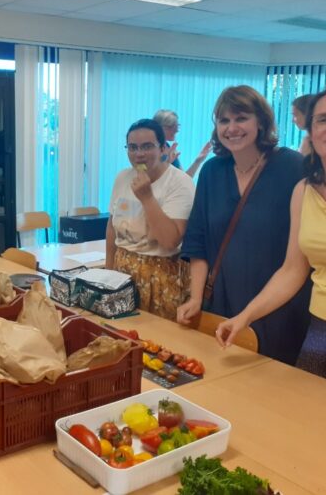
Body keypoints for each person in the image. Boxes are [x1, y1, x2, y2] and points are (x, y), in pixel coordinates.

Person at [177, 85, 311, 366]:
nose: (232, 128)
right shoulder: (213, 172)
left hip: (277, 307)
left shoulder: (293, 167)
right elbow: (197, 240)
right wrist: (196, 297)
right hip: (222, 301)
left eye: (241, 118)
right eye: (224, 121)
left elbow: (300, 256)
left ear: (261, 121)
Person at [216, 90, 326, 377]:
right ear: (310, 131)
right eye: (322, 120)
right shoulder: (304, 191)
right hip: (321, 329)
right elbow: (292, 270)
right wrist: (245, 317)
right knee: (306, 413)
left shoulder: (287, 167)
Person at [105, 118, 195, 320]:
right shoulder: (122, 178)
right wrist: (109, 270)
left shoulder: (180, 183)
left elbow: (170, 240)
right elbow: (112, 227)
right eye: (133, 147)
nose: (139, 154)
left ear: (163, 148)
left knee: (155, 344)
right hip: (122, 272)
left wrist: (147, 197)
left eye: (147, 146)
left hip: (160, 277)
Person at [153, 109, 212, 178]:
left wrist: (198, 161)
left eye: (177, 126)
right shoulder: (151, 150)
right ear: (158, 127)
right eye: (171, 126)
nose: (177, 130)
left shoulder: (169, 148)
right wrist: (166, 164)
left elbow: (185, 179)